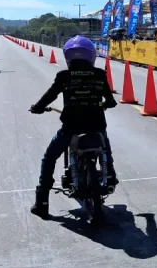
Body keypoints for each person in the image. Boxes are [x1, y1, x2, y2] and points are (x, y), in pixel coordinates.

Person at [28, 35, 118, 219]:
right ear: (92, 56)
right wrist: (101, 105)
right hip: (97, 126)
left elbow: (50, 95)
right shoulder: (100, 75)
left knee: (49, 157)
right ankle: (110, 178)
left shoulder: (64, 76)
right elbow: (111, 101)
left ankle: (42, 203)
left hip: (71, 127)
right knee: (106, 150)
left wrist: (37, 107)